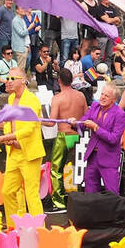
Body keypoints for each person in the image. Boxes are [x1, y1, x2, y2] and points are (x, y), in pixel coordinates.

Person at [0, 68, 45, 225]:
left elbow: (29, 129)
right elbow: (11, 123)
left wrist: (6, 137)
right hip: (13, 153)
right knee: (7, 191)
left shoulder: (32, 100)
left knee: (31, 194)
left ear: (23, 81)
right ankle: (14, 227)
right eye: (7, 77)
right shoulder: (11, 99)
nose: (8, 81)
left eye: (12, 78)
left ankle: (39, 230)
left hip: (29, 153)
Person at [78, 81, 125, 194]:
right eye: (102, 94)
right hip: (92, 156)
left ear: (114, 100)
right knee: (90, 191)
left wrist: (96, 128)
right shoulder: (95, 106)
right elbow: (83, 122)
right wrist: (73, 122)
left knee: (112, 192)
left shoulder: (119, 114)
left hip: (109, 158)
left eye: (106, 96)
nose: (103, 97)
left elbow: (114, 138)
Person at [47, 68, 86, 210]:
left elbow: (51, 122)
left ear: (59, 81)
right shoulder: (80, 96)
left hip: (64, 136)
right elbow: (86, 116)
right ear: (71, 80)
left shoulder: (57, 98)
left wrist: (38, 120)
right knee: (76, 169)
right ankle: (77, 199)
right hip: (78, 135)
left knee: (56, 170)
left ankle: (58, 202)